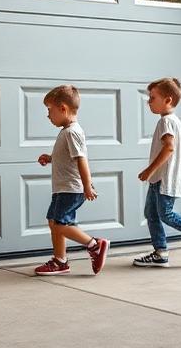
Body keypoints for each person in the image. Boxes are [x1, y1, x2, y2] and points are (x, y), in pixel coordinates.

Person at [133, 78, 181, 268]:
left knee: (165, 213)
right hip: (159, 178)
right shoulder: (171, 120)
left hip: (163, 178)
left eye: (152, 98)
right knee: (151, 213)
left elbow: (169, 148)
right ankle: (160, 252)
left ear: (167, 100)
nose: (148, 101)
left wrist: (148, 170)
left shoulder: (166, 121)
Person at [34, 85, 109, 276]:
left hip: (71, 188)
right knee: (54, 222)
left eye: (49, 110)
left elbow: (81, 159)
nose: (47, 115)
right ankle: (60, 261)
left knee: (61, 224)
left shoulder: (72, 132)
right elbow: (67, 156)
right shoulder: (67, 131)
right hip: (62, 188)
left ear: (63, 109)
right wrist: (50, 158)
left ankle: (95, 245)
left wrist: (86, 185)